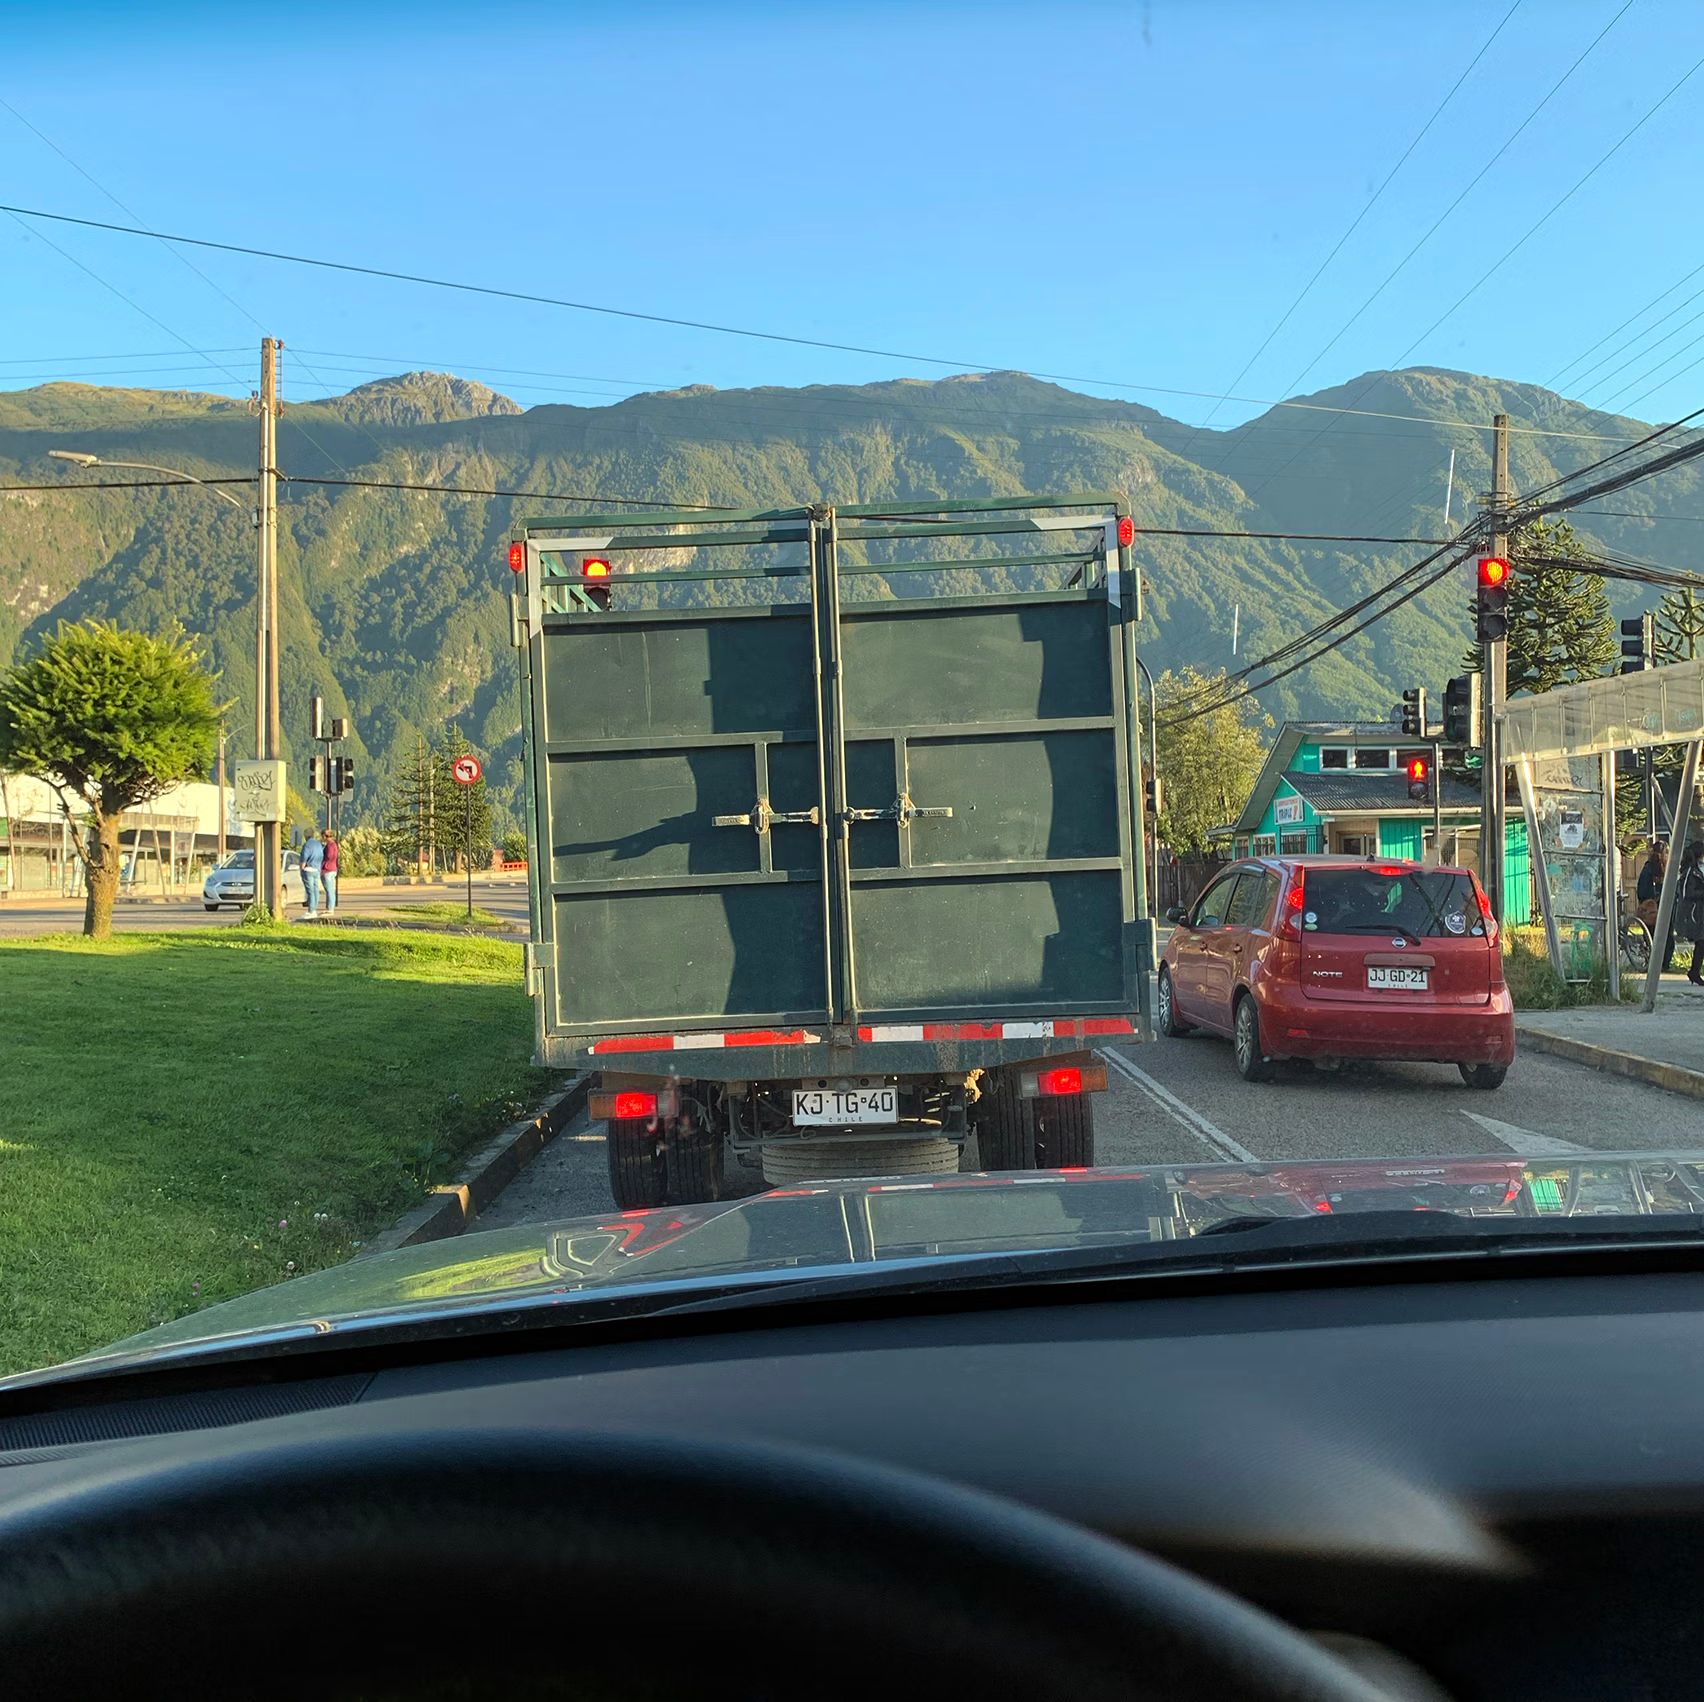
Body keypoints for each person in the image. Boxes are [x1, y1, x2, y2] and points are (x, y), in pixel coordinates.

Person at [1639, 837, 1675, 973]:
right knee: (1667, 936)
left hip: (1651, 909)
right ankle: (1665, 963)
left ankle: (1654, 962)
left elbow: (1642, 890)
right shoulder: (1668, 868)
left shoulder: (1648, 868)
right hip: (1665, 907)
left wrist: (1645, 901)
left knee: (1652, 936)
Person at [1676, 840, 1704, 987]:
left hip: (1700, 912)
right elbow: (1687, 893)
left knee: (1701, 944)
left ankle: (1694, 971)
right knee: (1701, 942)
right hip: (1695, 913)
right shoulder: (1690, 872)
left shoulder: (1697, 871)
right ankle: (1694, 972)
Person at [298, 830, 325, 915]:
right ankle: (314, 908)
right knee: (315, 890)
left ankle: (311, 910)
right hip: (317, 869)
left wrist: (301, 868)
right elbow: (321, 856)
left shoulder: (307, 845)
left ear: (306, 836)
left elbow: (304, 858)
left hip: (308, 869)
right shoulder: (318, 844)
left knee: (310, 891)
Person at [321, 829, 340, 914]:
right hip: (333, 868)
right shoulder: (334, 844)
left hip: (327, 869)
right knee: (331, 889)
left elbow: (329, 855)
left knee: (329, 890)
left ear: (325, 836)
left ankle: (330, 908)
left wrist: (323, 859)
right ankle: (330, 907)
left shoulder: (329, 845)